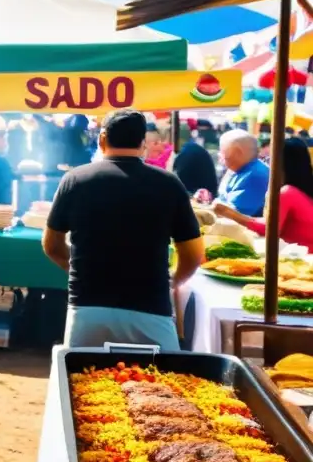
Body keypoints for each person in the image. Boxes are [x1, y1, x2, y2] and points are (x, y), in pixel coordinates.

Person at [42, 110, 204, 350]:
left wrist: (79, 268)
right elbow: (192, 253)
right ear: (142, 144)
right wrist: (173, 280)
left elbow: (51, 245)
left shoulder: (75, 179)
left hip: (87, 308)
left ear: (102, 139)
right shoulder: (169, 184)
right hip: (151, 308)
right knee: (158, 384)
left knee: (84, 384)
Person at [214, 138, 313, 248]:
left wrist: (229, 212)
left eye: (270, 158)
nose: (267, 162)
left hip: (301, 260)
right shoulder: (300, 190)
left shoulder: (287, 193)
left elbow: (268, 229)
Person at [217, 129, 270, 216]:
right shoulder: (239, 169)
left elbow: (233, 214)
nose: (220, 155)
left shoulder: (255, 175)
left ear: (237, 153)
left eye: (222, 151)